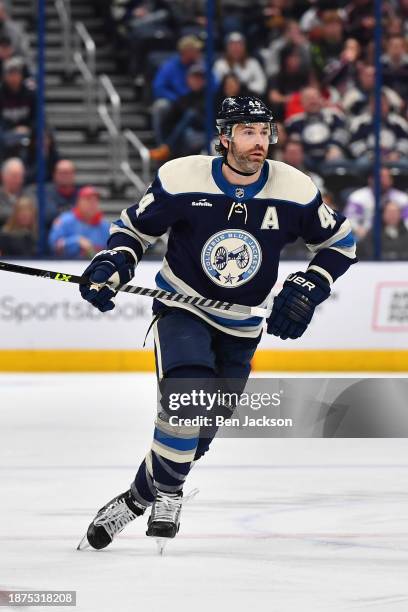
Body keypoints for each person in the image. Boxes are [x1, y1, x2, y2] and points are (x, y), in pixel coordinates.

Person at [77, 96, 356, 550]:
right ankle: (167, 493)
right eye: (248, 132)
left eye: (265, 132)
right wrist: (114, 261)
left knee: (198, 435)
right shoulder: (182, 177)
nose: (259, 142)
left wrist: (312, 284)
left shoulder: (295, 188)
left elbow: (340, 243)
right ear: (225, 137)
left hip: (242, 325)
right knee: (189, 396)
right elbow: (134, 230)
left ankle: (137, 499)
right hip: (182, 307)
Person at [344, 167, 408, 240]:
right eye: (381, 177)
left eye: (386, 177)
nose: (383, 180)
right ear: (370, 179)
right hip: (366, 235)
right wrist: (358, 229)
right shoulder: (358, 197)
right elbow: (349, 220)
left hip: (395, 234)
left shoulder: (402, 199)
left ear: (391, 180)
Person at [48, 185, 110, 258]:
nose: (93, 203)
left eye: (96, 200)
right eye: (88, 199)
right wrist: (76, 241)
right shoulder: (64, 220)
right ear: (79, 202)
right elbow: (53, 245)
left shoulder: (104, 226)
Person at [213, 32, 267, 96]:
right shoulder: (220, 64)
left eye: (239, 45)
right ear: (227, 48)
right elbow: (216, 86)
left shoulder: (253, 63)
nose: (236, 48)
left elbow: (262, 85)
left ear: (244, 47)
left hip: (248, 99)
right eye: (232, 45)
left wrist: (242, 88)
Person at [0, 157, 26, 225]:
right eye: (14, 176)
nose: (19, 180)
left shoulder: (28, 195)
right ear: (2, 176)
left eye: (21, 176)